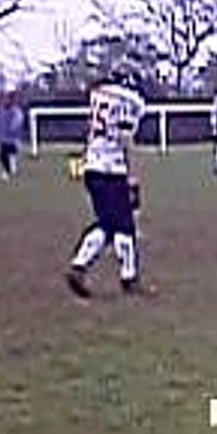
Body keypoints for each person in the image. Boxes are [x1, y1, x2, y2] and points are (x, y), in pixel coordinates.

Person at [65, 70, 149, 298]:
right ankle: (124, 277)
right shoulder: (128, 101)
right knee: (122, 226)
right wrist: (133, 177)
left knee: (110, 224)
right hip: (112, 169)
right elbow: (125, 139)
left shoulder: (98, 95)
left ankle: (84, 268)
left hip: (92, 166)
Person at [0, 89, 25, 181]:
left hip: (13, 138)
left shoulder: (16, 111)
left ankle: (9, 170)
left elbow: (17, 122)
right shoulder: (1, 109)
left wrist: (12, 129)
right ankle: (7, 171)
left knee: (10, 153)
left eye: (9, 99)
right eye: (6, 99)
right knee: (3, 155)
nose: (6, 101)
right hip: (3, 137)